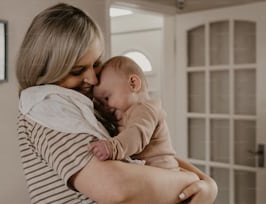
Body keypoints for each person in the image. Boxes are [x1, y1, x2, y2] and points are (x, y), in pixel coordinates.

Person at [16, 3, 217, 204]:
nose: (93, 79)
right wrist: (191, 181)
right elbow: (118, 189)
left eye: (96, 64)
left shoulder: (85, 104)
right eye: (77, 71)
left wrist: (206, 183)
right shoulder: (45, 106)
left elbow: (151, 152)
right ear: (46, 68)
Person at [89, 56, 179, 171]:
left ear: (133, 84)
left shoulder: (145, 109)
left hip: (165, 172)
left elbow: (136, 135)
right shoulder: (126, 111)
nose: (106, 107)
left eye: (107, 98)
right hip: (152, 173)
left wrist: (112, 147)